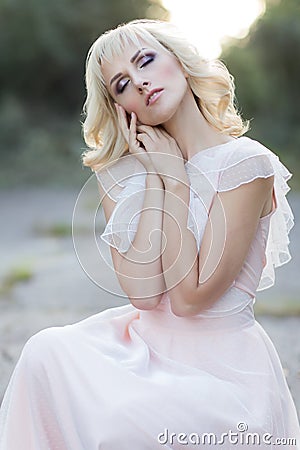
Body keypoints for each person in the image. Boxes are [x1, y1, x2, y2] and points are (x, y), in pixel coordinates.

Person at [0, 18, 299, 450]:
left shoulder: (245, 163)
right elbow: (142, 293)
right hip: (145, 347)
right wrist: (153, 178)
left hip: (223, 369)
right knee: (45, 352)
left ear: (179, 60)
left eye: (146, 61)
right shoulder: (122, 176)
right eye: (121, 84)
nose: (139, 83)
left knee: (127, 420)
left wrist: (174, 178)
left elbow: (190, 298)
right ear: (120, 108)